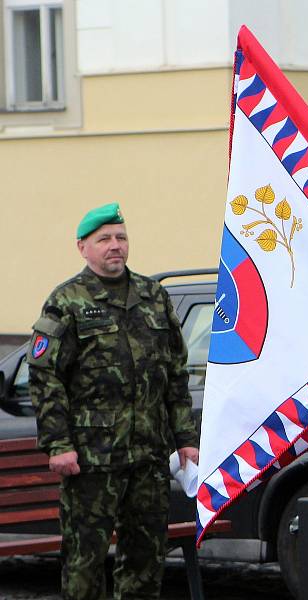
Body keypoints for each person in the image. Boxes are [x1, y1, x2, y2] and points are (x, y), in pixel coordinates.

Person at [28, 203, 199, 600]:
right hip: (91, 459)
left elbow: (174, 373)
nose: (114, 246)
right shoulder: (67, 301)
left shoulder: (153, 296)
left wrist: (185, 437)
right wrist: (59, 444)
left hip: (148, 458)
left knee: (145, 560)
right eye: (103, 239)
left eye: (121, 238)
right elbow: (45, 376)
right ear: (82, 247)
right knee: (85, 560)